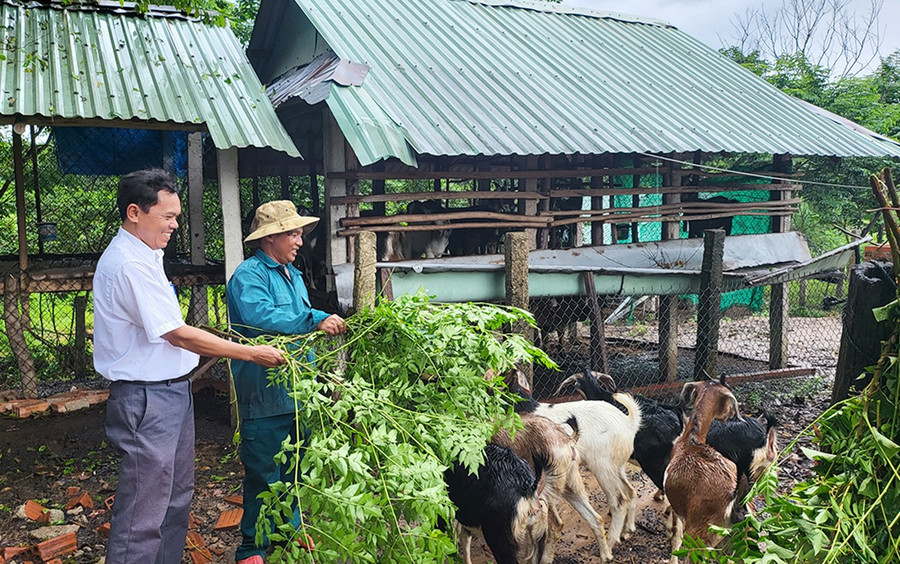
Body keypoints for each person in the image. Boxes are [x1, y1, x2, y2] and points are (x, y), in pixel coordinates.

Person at [92, 168, 287, 564]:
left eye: (176, 216)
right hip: (146, 398)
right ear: (134, 212)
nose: (175, 225)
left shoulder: (147, 256)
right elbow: (177, 334)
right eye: (167, 217)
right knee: (145, 509)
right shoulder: (128, 265)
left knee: (176, 497)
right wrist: (250, 352)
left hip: (171, 392)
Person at [225, 200, 346, 564]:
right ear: (270, 238)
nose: (299, 240)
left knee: (293, 470)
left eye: (298, 233)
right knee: (263, 472)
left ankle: (287, 530)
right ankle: (252, 547)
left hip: (297, 392)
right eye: (293, 233)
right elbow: (263, 318)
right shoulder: (248, 276)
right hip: (264, 393)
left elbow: (297, 319)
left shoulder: (291, 274)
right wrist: (315, 319)